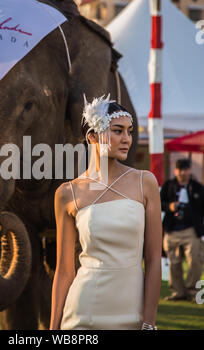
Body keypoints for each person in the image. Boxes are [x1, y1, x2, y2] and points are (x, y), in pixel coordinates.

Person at [50, 94, 162, 330]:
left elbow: (153, 261)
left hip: (132, 312)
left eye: (130, 132)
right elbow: (64, 271)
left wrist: (149, 323)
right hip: (82, 312)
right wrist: (52, 330)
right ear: (92, 136)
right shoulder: (67, 193)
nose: (127, 139)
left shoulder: (145, 182)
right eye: (118, 131)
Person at [161, 158, 204, 302]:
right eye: (179, 169)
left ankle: (193, 292)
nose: (182, 172)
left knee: (195, 262)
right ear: (175, 170)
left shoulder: (197, 187)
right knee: (174, 263)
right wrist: (170, 207)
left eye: (185, 169)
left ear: (190, 170)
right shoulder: (168, 186)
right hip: (172, 230)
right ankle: (178, 293)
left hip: (191, 230)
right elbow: (159, 203)